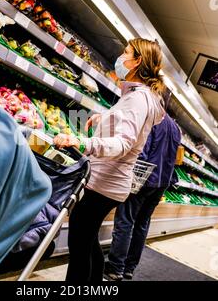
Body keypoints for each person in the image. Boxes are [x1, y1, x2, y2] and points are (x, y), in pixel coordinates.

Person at [53, 38, 166, 282]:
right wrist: (104, 118)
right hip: (108, 182)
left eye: (126, 53)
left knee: (80, 244)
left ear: (138, 61)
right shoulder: (138, 95)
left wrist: (81, 142)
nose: (120, 56)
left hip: (106, 183)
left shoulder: (138, 98)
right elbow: (127, 126)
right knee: (88, 238)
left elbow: (123, 144)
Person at [103, 111, 181, 281]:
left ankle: (116, 268)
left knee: (125, 220)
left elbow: (143, 152)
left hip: (143, 179)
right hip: (162, 182)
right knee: (142, 224)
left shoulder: (153, 118)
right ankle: (130, 268)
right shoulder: (176, 128)